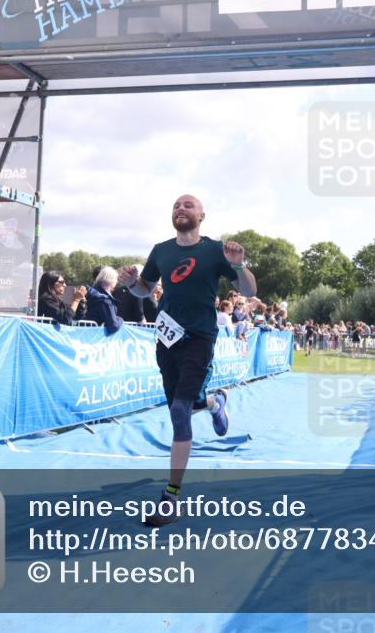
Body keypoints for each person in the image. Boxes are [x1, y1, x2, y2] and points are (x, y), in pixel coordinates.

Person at [119, 194, 255, 526]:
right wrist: (129, 284)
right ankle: (214, 402)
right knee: (184, 404)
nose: (181, 209)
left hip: (199, 338)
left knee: (180, 412)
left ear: (202, 215)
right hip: (167, 339)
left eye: (188, 205)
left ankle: (171, 497)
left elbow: (249, 290)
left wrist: (238, 265)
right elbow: (143, 289)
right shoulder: (160, 250)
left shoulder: (215, 249)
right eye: (176, 206)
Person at [85, 266, 124, 335]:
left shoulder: (88, 292)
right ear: (112, 281)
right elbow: (113, 326)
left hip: (82, 335)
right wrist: (120, 319)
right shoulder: (105, 300)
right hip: (96, 338)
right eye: (116, 279)